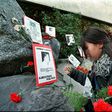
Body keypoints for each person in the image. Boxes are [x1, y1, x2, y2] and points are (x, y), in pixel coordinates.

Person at [64, 27, 112, 92]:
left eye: (86, 48)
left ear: (100, 44)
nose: (85, 53)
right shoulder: (94, 64)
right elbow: (88, 80)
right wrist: (73, 73)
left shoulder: (109, 67)